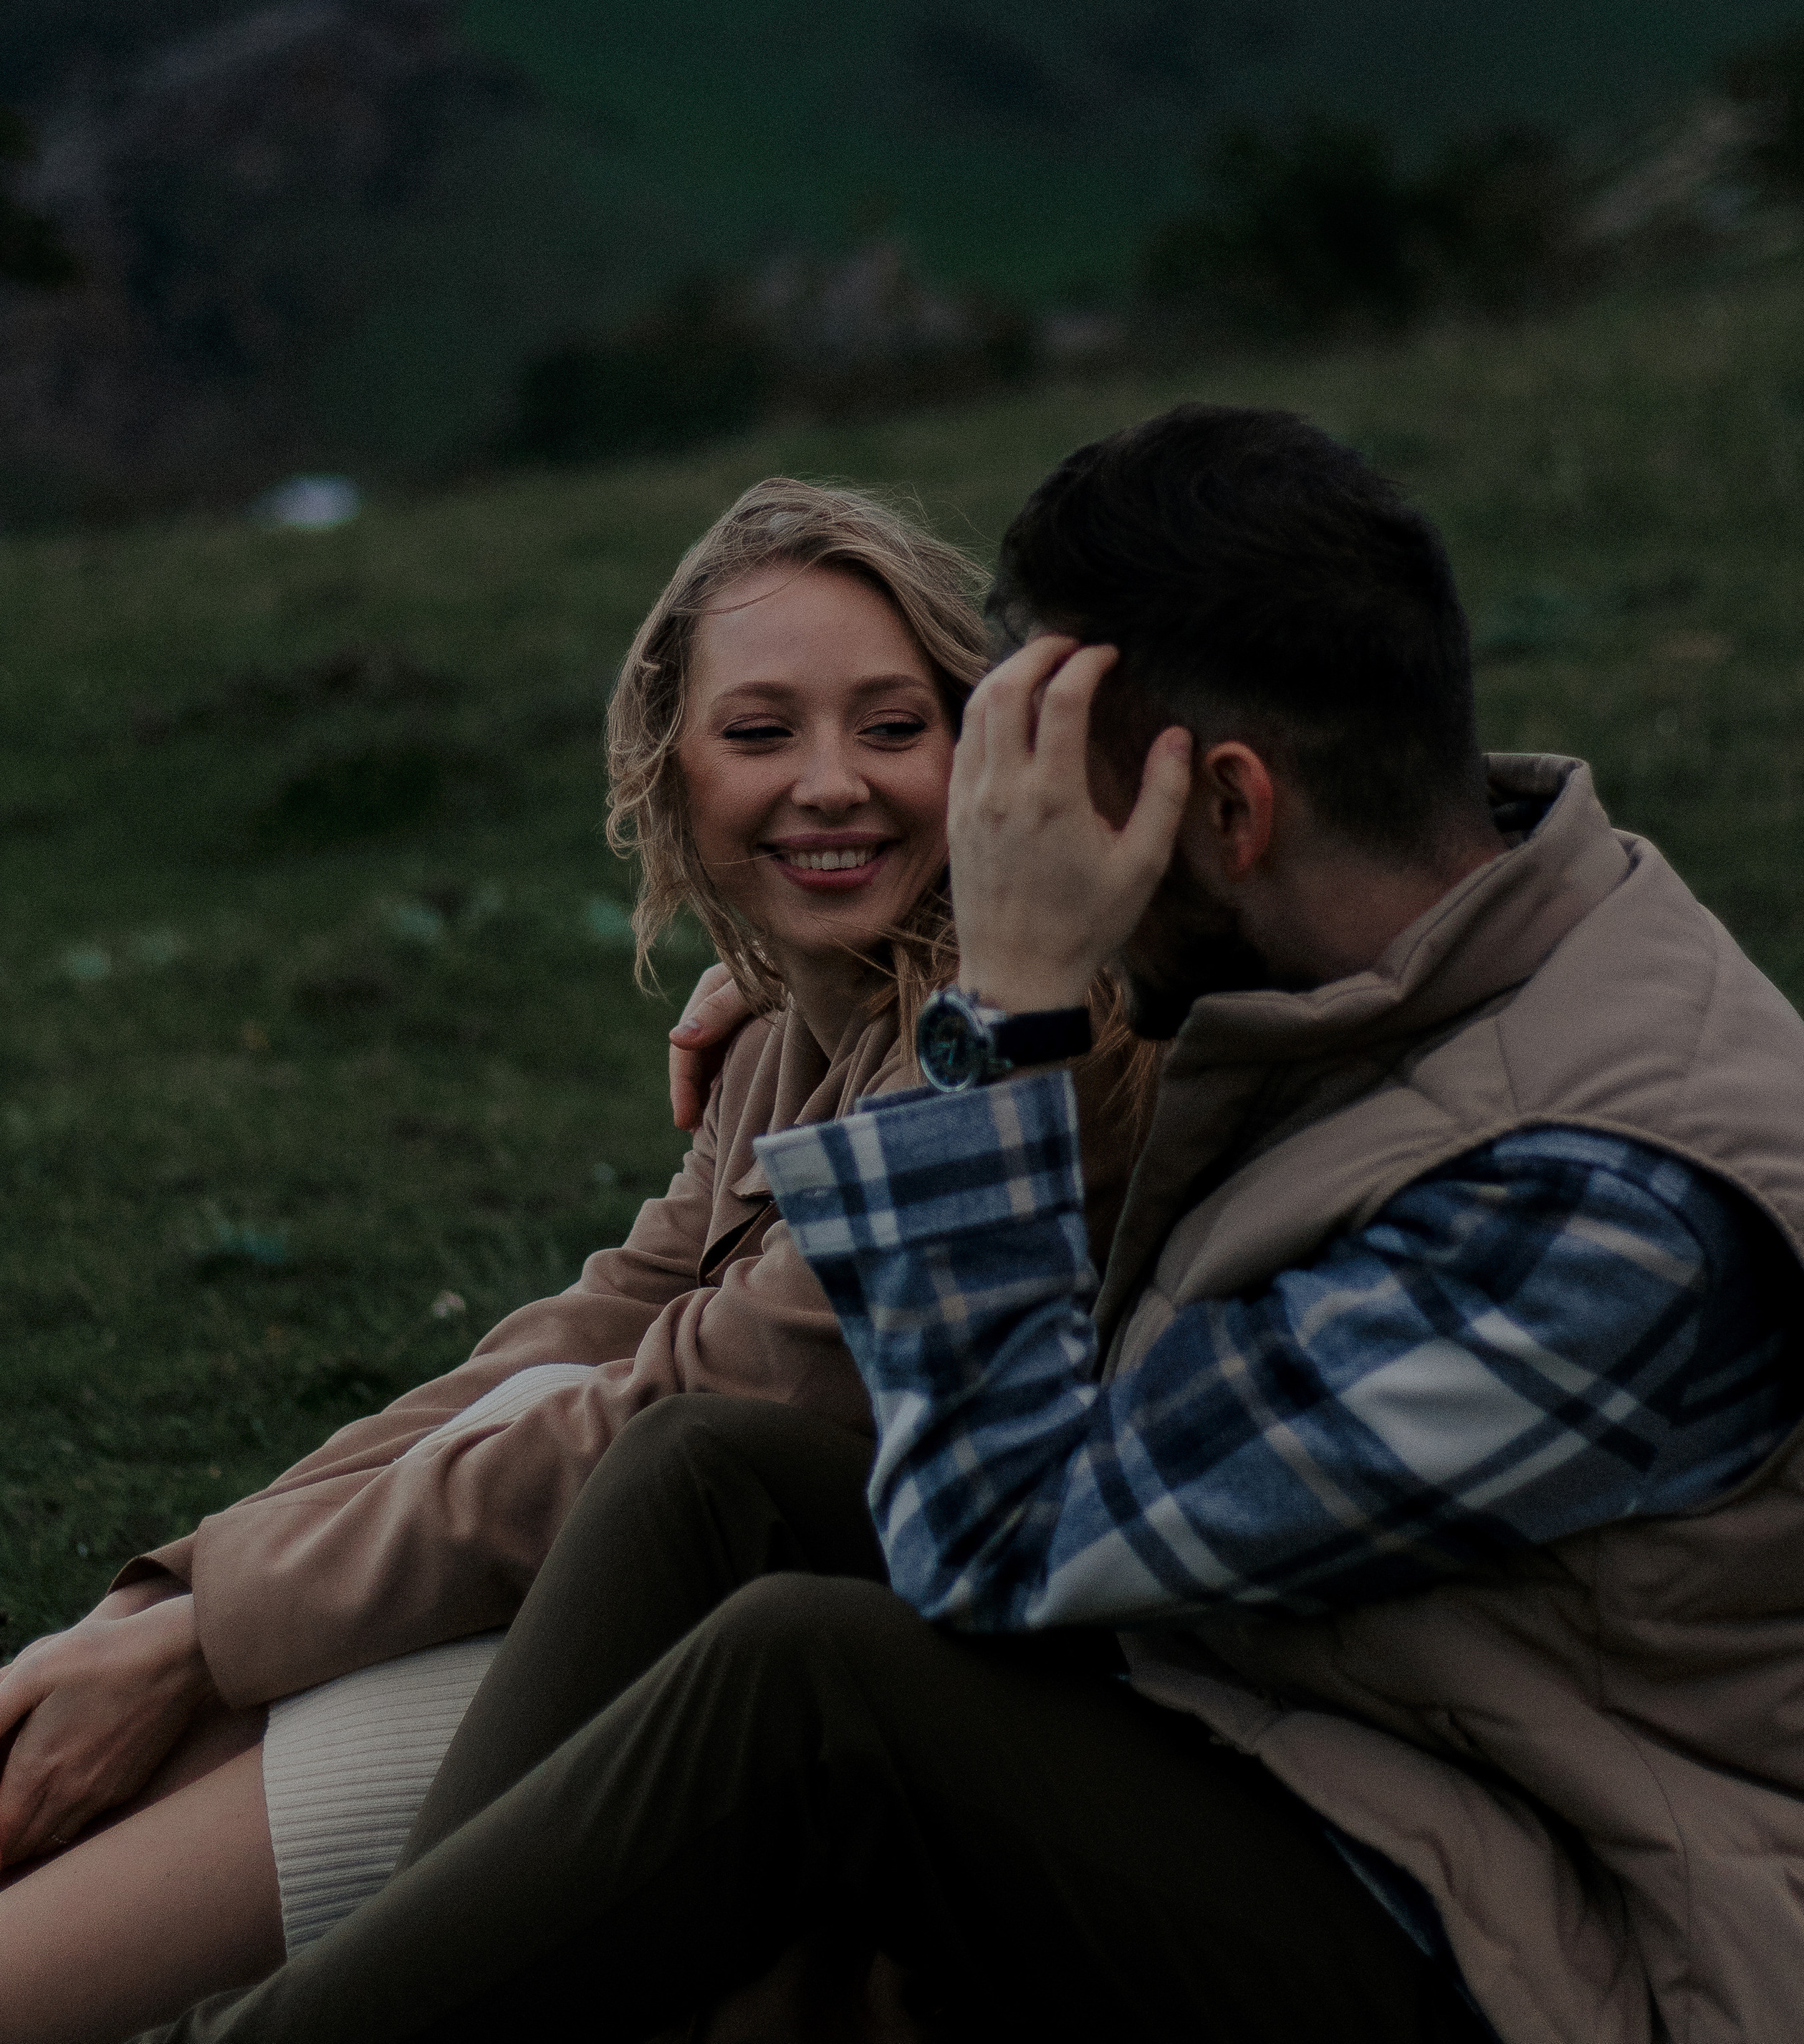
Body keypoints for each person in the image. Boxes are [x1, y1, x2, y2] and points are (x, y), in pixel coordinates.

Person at [113, 400, 1804, 2044]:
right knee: (700, 1474)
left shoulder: (1606, 1215)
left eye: (1041, 804)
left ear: (1222, 810)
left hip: (1565, 1947)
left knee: (817, 1694)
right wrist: (829, 981)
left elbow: (1000, 1541)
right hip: (1341, 1746)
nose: (999, 856)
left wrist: (1002, 1013)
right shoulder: (1377, 941)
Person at [0, 475, 1150, 2044]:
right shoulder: (791, 1036)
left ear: (979, 756)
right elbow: (572, 1338)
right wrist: (182, 1597)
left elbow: (670, 1411)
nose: (832, 785)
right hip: (658, 1628)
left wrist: (215, 1633)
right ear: (665, 776)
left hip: (833, 1703)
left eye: (892, 727)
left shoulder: (1025, 1054)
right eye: (759, 735)